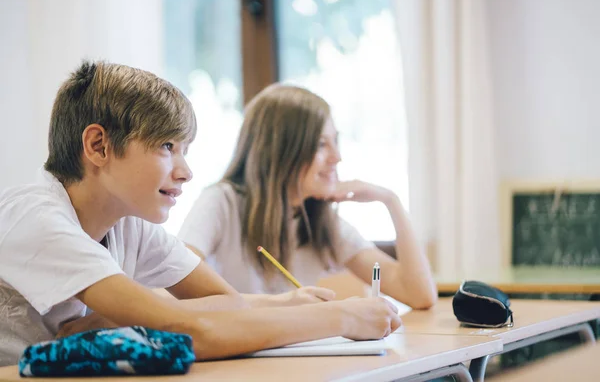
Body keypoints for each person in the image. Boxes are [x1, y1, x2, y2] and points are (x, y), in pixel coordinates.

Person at [0, 62, 401, 366]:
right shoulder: (35, 217)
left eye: (184, 150)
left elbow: (225, 304)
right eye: (166, 146)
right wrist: (341, 317)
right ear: (99, 145)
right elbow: (187, 331)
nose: (186, 172)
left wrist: (114, 325)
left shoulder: (129, 225)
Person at [179, 84, 438, 309]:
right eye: (321, 144)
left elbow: (419, 295)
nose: (337, 157)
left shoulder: (319, 218)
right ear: (281, 150)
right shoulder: (221, 202)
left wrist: (391, 201)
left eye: (335, 142)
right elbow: (175, 282)